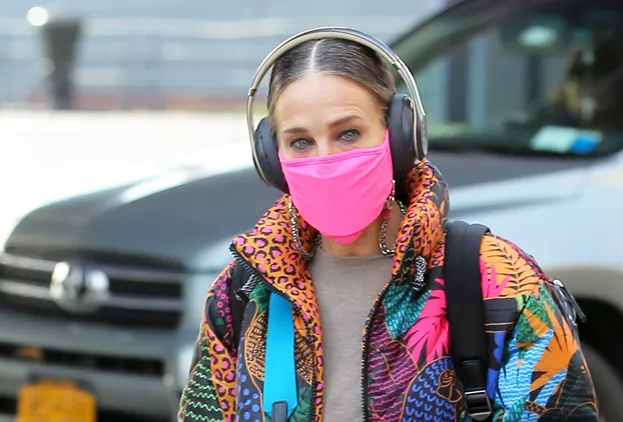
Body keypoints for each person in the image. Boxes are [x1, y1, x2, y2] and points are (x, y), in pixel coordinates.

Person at [178, 27, 599, 422]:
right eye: (301, 142)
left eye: (348, 134)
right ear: (273, 159)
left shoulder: (497, 280)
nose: (324, 159)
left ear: (397, 136)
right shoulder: (244, 292)